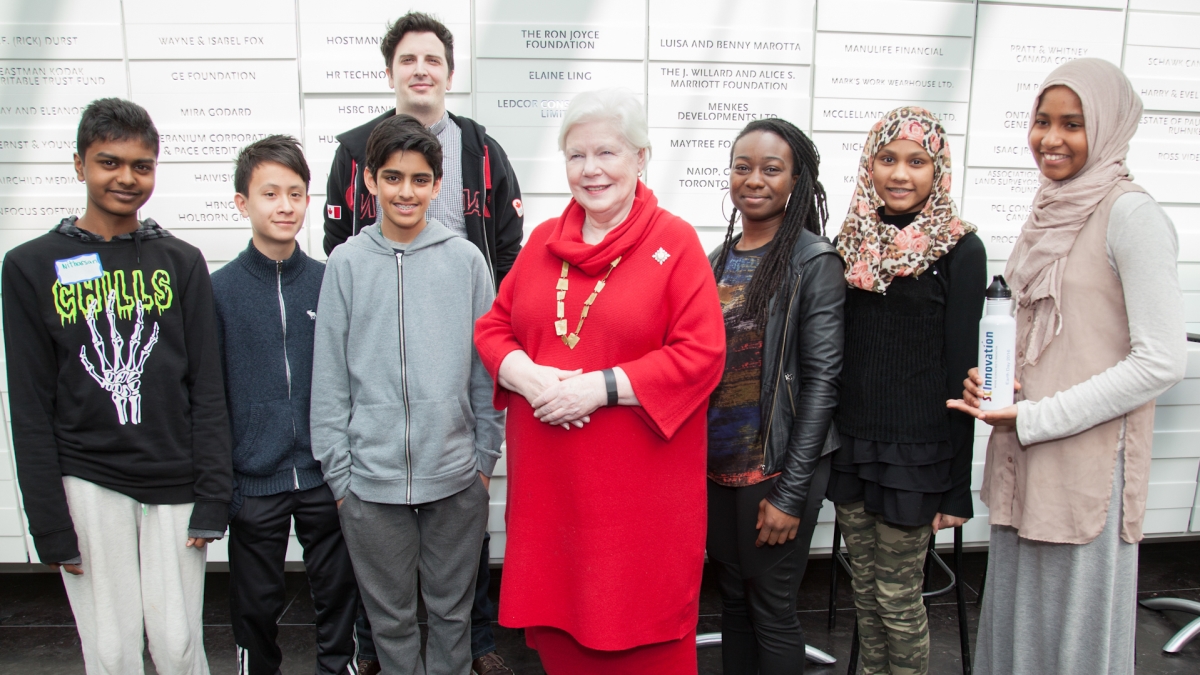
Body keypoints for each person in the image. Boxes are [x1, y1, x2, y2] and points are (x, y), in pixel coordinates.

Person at [473, 88, 726, 675]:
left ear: (641, 158)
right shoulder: (540, 242)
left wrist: (600, 387)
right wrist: (529, 378)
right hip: (553, 499)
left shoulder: (676, 241)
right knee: (564, 645)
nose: (591, 170)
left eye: (607, 153)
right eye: (576, 155)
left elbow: (702, 355)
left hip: (637, 508)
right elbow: (493, 328)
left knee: (644, 646)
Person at [949, 58, 1187, 675]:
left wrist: (1037, 416)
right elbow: (1040, 335)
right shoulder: (1049, 210)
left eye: (1073, 124)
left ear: (1107, 127)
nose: (1050, 139)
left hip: (1084, 468)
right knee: (1018, 631)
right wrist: (993, 383)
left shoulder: (1131, 215)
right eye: (1041, 122)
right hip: (1024, 458)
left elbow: (1161, 359)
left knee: (1074, 646)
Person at [1, 98, 231, 674]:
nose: (127, 178)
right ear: (79, 165)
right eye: (109, 162)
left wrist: (212, 497)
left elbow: (206, 386)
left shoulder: (180, 261)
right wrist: (49, 523)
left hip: (176, 479)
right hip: (88, 478)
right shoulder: (31, 266)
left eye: (142, 165)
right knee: (110, 649)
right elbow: (29, 405)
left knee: (179, 647)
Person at [322, 16, 519, 673]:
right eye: (392, 178)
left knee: (452, 615)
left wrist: (483, 459)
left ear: (438, 187)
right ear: (370, 182)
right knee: (392, 624)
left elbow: (483, 371)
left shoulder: (466, 261)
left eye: (418, 179)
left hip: (454, 477)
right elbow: (331, 384)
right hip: (370, 485)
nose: (405, 191)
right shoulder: (347, 264)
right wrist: (342, 476)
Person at [828, 106, 986, 674]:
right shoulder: (846, 243)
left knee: (898, 601)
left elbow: (964, 376)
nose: (900, 174)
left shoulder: (960, 248)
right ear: (869, 165)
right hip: (853, 446)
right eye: (887, 158)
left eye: (917, 161)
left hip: (918, 456)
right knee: (864, 597)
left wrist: (957, 488)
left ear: (938, 169)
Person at [213, 135, 359, 675]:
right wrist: (225, 481)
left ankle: (338, 666)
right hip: (254, 480)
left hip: (325, 474)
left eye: (295, 193)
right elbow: (209, 394)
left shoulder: (331, 281)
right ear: (241, 202)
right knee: (254, 604)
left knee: (339, 592)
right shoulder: (217, 291)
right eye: (269, 193)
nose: (284, 206)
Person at [705, 118, 845, 674]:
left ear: (796, 180)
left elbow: (821, 383)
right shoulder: (716, 259)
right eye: (743, 167)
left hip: (776, 468)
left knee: (772, 609)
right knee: (733, 604)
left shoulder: (814, 261)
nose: (754, 179)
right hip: (717, 468)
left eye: (771, 168)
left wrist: (791, 492)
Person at [323, 11, 523, 291]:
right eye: (407, 60)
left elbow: (506, 255)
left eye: (432, 60)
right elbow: (337, 247)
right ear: (390, 76)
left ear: (450, 77)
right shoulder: (355, 153)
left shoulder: (483, 154)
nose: (420, 70)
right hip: (379, 318)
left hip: (462, 320)